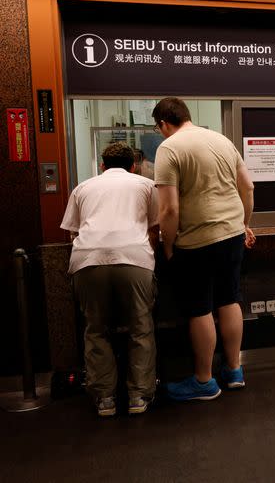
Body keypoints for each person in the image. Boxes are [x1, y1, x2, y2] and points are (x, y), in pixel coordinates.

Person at [153, 97, 256, 402]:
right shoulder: (221, 140)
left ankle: (203, 381)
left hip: (197, 240)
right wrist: (244, 223)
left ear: (163, 124)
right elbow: (247, 187)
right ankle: (235, 370)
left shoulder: (169, 148)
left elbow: (169, 210)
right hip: (232, 234)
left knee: (200, 308)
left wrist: (169, 244)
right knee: (229, 299)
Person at [60, 142, 159, 416]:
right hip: (134, 258)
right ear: (134, 165)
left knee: (96, 329)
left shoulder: (83, 187)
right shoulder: (145, 185)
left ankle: (104, 398)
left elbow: (72, 231)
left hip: (88, 260)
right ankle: (138, 396)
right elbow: (155, 227)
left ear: (101, 165)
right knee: (140, 327)